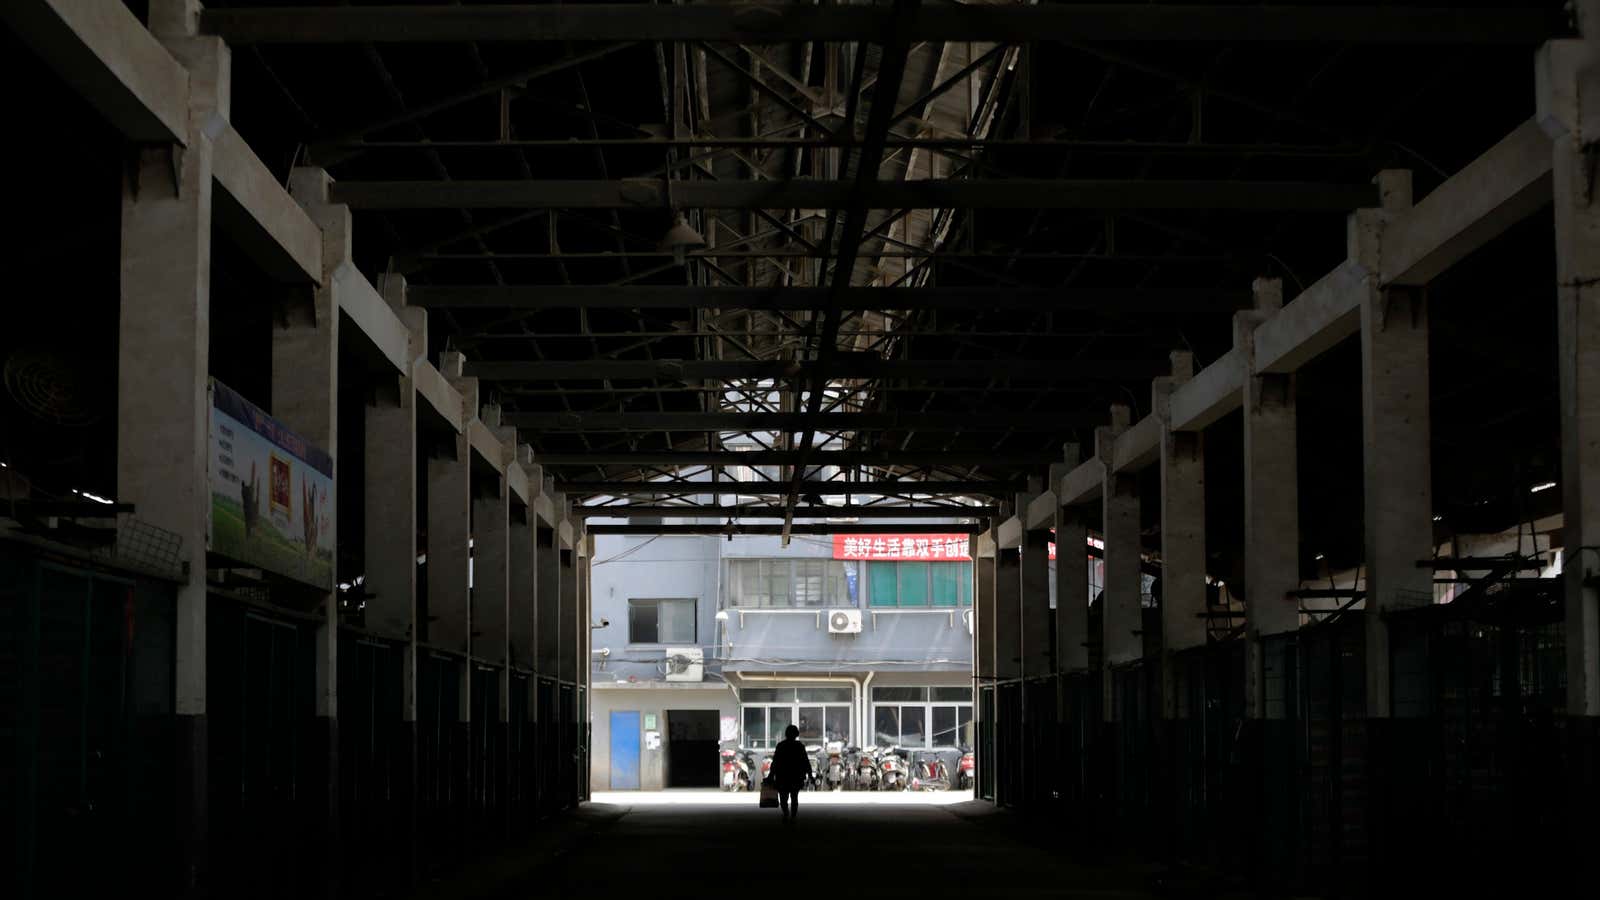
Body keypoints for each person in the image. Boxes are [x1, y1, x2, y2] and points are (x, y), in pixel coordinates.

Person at [769, 723, 812, 821]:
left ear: (786, 734)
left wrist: (771, 775)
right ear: (796, 734)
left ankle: (786, 813)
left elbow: (775, 761)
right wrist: (809, 774)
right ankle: (793, 816)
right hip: (796, 776)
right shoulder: (799, 746)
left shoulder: (781, 745)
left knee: (783, 797)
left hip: (782, 776)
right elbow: (805, 761)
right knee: (794, 796)